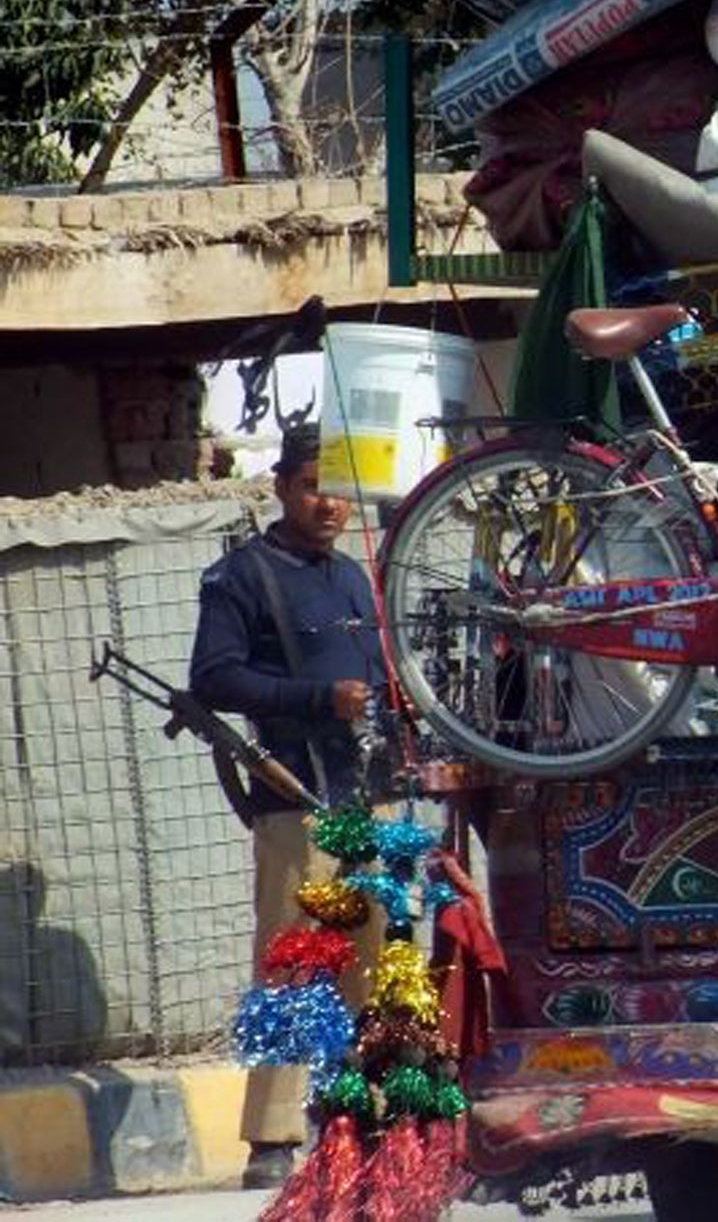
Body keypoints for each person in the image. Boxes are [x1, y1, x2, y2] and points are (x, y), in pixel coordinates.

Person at [189, 422, 384, 1189]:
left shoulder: (351, 578)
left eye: (337, 488)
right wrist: (316, 698)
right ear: (281, 487)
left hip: (364, 799)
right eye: (311, 486)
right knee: (291, 967)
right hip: (293, 801)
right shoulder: (241, 576)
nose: (328, 503)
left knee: (371, 968)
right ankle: (270, 1142)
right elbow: (215, 679)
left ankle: (364, 1117)